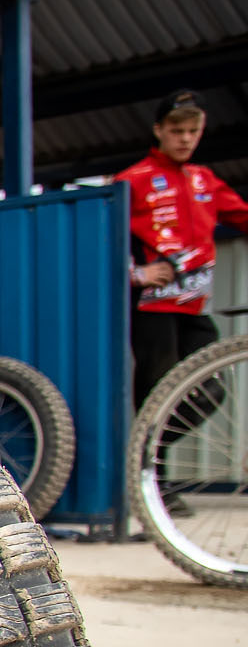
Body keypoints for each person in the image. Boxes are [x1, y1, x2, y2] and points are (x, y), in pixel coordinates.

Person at [117, 90, 248, 409]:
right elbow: (101, 241)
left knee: (208, 393)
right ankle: (147, 457)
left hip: (195, 306)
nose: (185, 139)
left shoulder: (204, 180)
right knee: (158, 396)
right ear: (159, 129)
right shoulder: (132, 180)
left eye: (193, 131)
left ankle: (145, 456)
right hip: (154, 307)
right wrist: (135, 274)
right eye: (177, 131)